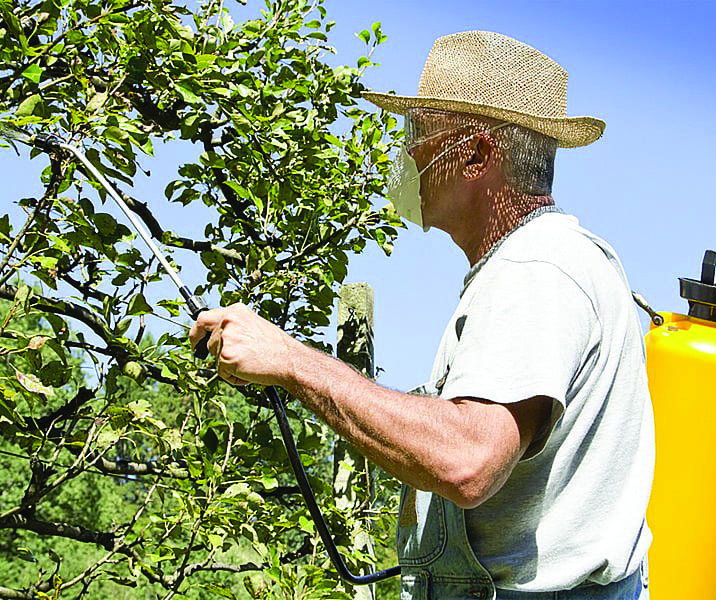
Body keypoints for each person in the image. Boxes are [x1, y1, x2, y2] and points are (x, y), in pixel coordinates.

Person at [190, 31, 654, 600]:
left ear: (477, 155)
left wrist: (289, 359)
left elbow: (468, 460)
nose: (406, 154)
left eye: (418, 134)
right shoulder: (540, 263)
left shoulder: (537, 268)